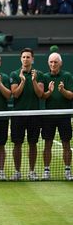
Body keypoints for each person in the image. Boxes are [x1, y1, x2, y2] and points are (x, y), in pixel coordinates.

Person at [9, 48, 44, 181]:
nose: (25, 59)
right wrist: (23, 80)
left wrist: (34, 80)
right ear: (20, 59)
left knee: (33, 144)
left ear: (32, 59)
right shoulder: (14, 74)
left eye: (28, 57)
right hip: (18, 115)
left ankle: (32, 172)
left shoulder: (39, 74)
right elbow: (15, 94)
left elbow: (40, 94)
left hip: (34, 115)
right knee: (17, 144)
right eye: (23, 57)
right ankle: (17, 172)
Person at [41, 52, 73, 180]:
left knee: (66, 143)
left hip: (64, 116)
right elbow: (42, 95)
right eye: (51, 62)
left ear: (60, 63)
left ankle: (67, 171)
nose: (53, 64)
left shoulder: (67, 76)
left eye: (55, 62)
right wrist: (49, 91)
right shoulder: (44, 77)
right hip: (48, 116)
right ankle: (46, 171)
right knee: (47, 144)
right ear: (48, 63)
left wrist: (62, 91)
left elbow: (71, 95)